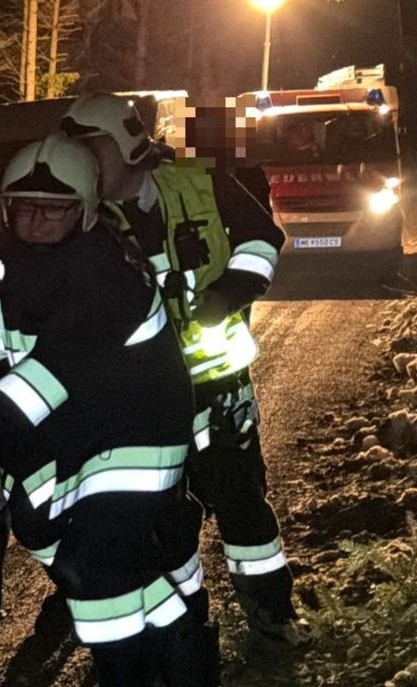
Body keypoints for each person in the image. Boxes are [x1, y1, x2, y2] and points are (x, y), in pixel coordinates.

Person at [0, 133, 227, 687]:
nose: (37, 219)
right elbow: (6, 270)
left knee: (100, 570)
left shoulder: (102, 272)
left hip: (133, 438)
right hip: (85, 439)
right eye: (23, 207)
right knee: (104, 569)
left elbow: (47, 377)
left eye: (53, 209)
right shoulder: (34, 254)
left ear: (83, 210)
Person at [61, 93, 297, 642]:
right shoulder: (81, 215)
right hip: (141, 399)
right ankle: (187, 631)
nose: (81, 162)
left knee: (240, 501)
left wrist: (232, 290)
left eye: (90, 148)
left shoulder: (198, 181)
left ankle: (272, 612)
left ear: (122, 146)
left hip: (217, 383)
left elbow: (263, 238)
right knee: (163, 521)